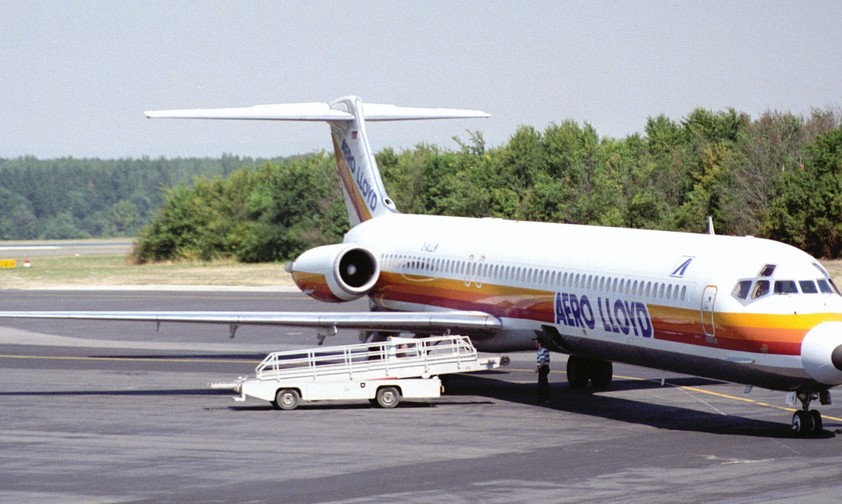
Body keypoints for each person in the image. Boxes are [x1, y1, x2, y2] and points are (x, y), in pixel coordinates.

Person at [534, 337, 551, 404]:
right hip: (544, 368)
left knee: (543, 384)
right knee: (541, 383)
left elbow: (543, 361)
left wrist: (537, 369)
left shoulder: (542, 350)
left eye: (536, 343)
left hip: (543, 368)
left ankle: (546, 398)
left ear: (539, 343)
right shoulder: (543, 350)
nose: (535, 344)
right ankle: (542, 398)